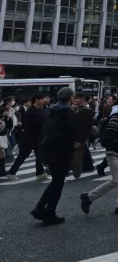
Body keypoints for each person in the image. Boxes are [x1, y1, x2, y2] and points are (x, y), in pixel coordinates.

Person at [80, 93, 118, 216]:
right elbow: (109, 137)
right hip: (115, 152)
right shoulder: (117, 117)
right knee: (117, 179)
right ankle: (89, 197)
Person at [31, 88, 80, 226]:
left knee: (56, 181)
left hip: (48, 149)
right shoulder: (68, 113)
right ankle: (49, 213)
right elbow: (74, 132)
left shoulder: (51, 111)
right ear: (70, 97)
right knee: (58, 183)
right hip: (62, 150)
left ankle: (40, 208)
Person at [6, 95, 48, 180]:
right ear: (37, 100)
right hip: (29, 137)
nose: (43, 101)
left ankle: (40, 172)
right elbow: (26, 124)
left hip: (38, 137)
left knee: (39, 155)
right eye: (42, 99)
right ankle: (11, 173)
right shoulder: (30, 111)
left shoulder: (41, 110)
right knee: (23, 155)